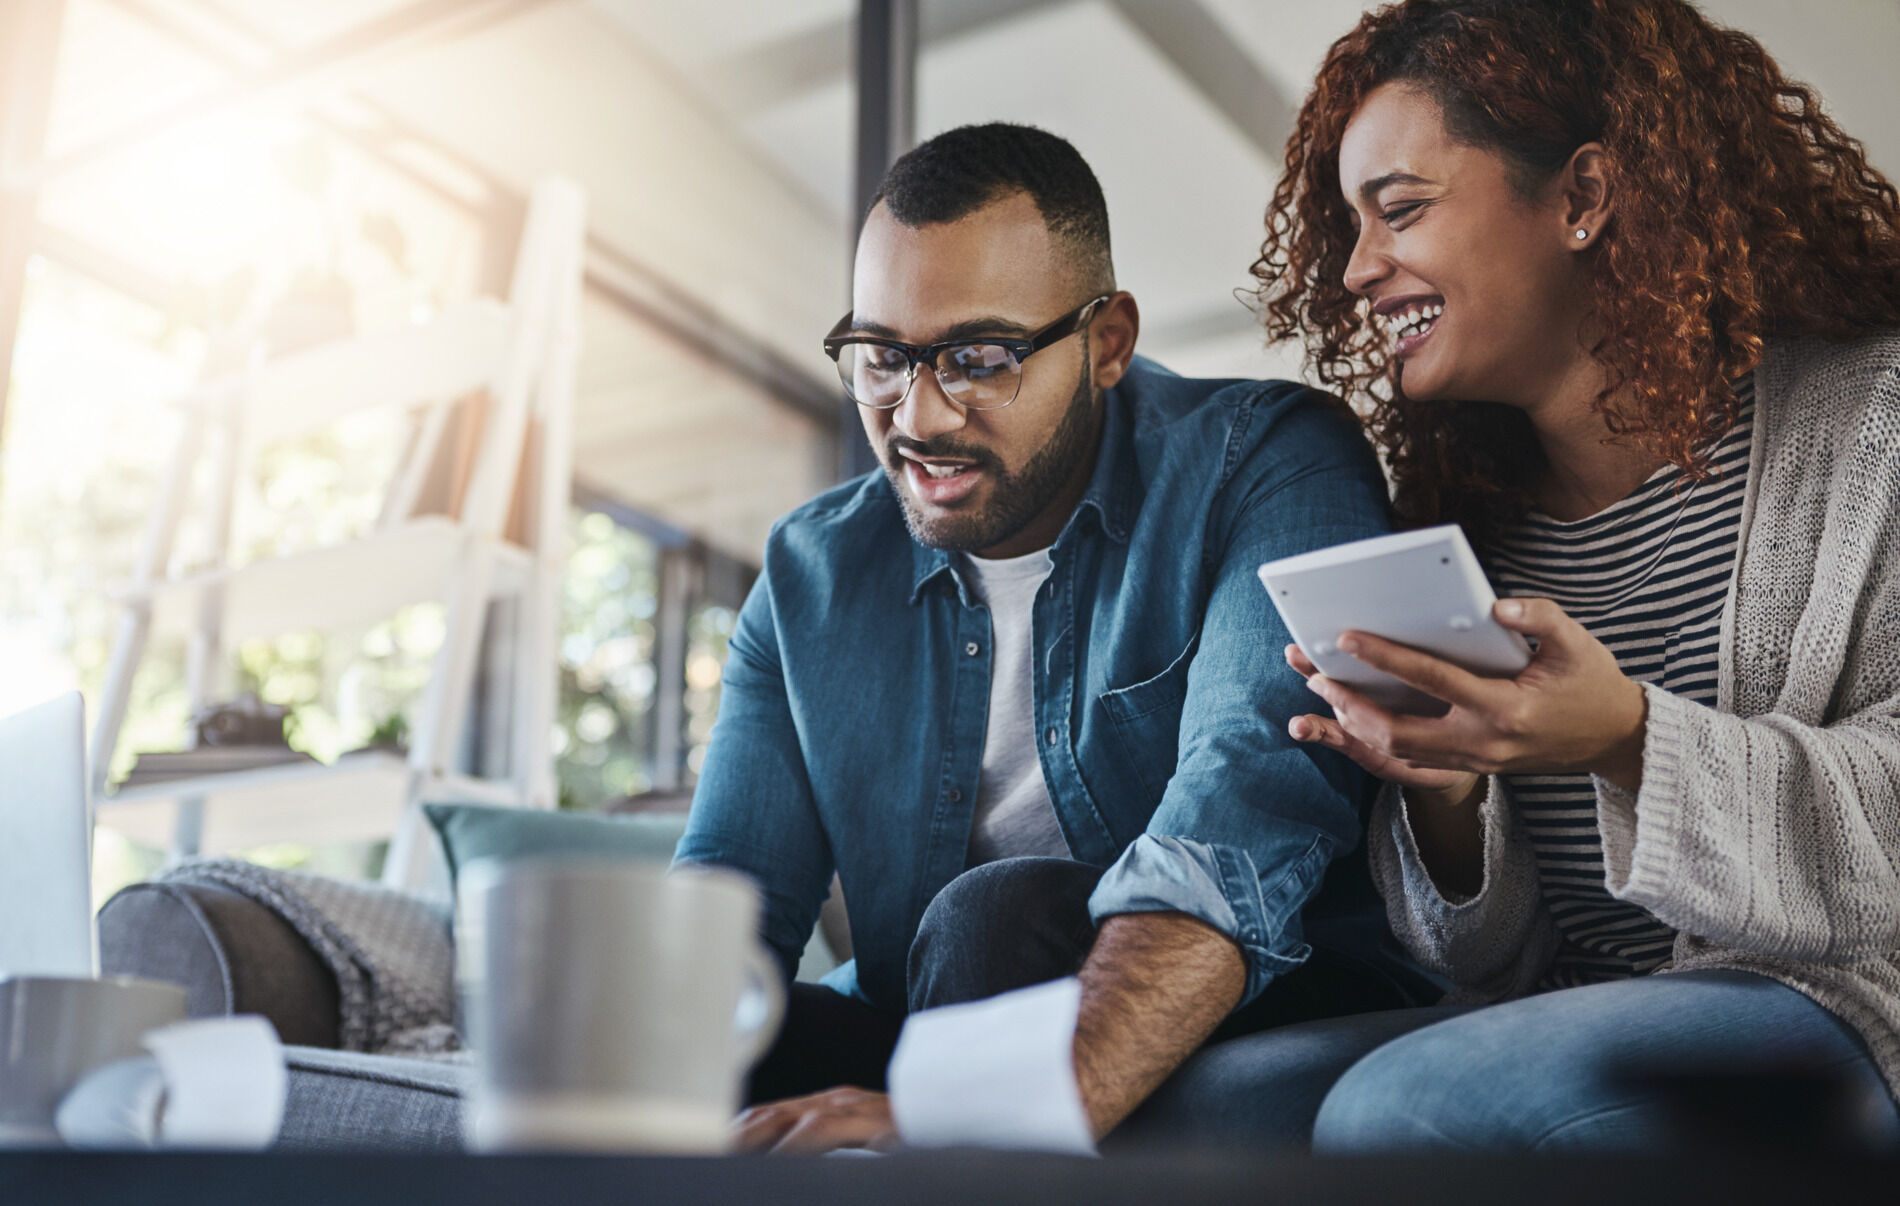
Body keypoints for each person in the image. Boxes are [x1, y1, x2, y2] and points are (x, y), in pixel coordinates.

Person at [673, 122, 1436, 1154]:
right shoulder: (812, 572)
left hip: (1242, 993)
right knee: (705, 1034)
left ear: (1106, 341)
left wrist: (966, 1114)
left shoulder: (1262, 463)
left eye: (979, 359)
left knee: (990, 915)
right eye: (881, 358)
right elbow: (725, 905)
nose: (920, 416)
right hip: (940, 1008)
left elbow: (1240, 822)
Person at [1228, 0, 1900, 1152]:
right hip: (1556, 1012)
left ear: (1582, 199)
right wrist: (1442, 788)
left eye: (1398, 210)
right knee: (1203, 1113)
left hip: (1841, 1011)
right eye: (1348, 224)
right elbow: (1482, 963)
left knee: (1407, 1111)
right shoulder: (1463, 521)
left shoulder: (1872, 429)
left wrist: (1627, 736)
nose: (1355, 269)